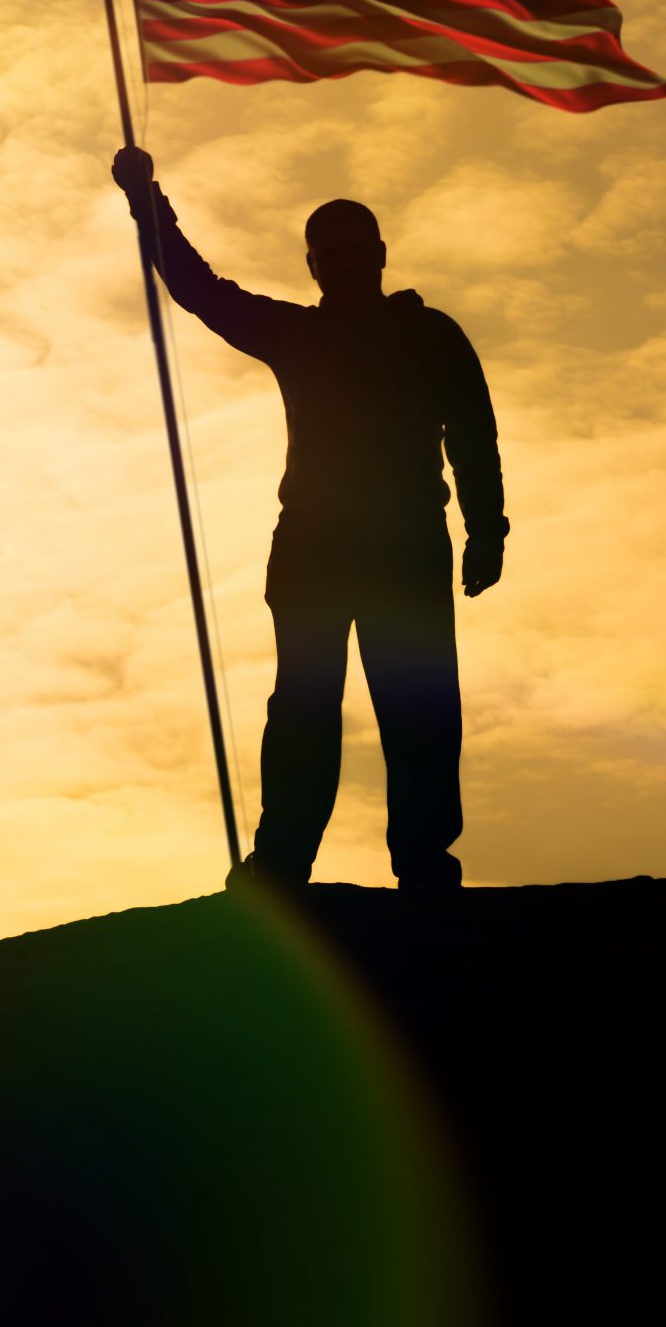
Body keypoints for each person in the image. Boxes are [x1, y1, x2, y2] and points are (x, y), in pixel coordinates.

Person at [110, 146, 507, 894]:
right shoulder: (302, 335)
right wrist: (146, 200)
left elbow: (473, 436)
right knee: (304, 706)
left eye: (356, 250)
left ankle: (422, 861)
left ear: (380, 255)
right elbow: (200, 291)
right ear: (313, 265)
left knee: (417, 709)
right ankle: (285, 861)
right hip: (317, 547)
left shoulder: (430, 336)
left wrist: (488, 529)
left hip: (403, 545)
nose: (345, 263)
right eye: (330, 254)